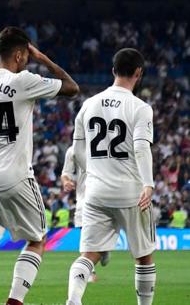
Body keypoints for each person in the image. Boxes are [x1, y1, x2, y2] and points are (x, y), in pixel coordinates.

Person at [0, 26, 79, 305]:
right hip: (14, 176)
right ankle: (14, 301)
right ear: (19, 54)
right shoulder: (24, 80)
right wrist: (44, 59)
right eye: (27, 54)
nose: (27, 59)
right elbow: (72, 88)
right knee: (37, 239)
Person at [66, 48, 156, 305]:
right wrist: (148, 184)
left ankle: (73, 298)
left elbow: (78, 152)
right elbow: (140, 147)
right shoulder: (140, 108)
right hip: (131, 193)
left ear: (113, 70)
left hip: (96, 192)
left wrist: (95, 173)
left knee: (88, 256)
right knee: (144, 257)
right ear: (138, 73)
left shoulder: (88, 105)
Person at [61, 146, 110, 282]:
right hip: (83, 198)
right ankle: (90, 272)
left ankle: (103, 250)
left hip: (105, 196)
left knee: (100, 235)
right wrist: (66, 182)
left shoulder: (105, 146)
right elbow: (66, 172)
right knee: (85, 234)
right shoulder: (73, 150)